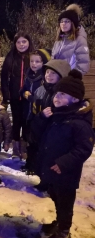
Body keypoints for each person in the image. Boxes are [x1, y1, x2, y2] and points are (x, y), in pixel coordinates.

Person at [31, 70, 94, 238]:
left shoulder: (79, 122)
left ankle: (64, 233)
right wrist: (41, 118)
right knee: (56, 198)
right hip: (51, 169)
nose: (57, 97)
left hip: (66, 173)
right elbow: (36, 134)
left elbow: (84, 149)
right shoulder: (57, 115)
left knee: (65, 203)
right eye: (57, 93)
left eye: (63, 94)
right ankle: (59, 223)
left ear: (75, 99)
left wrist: (63, 163)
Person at [30, 59, 71, 191]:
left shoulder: (62, 93)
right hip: (42, 129)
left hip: (55, 131)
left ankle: (52, 185)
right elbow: (34, 110)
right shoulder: (40, 90)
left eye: (53, 73)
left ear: (61, 75)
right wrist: (40, 116)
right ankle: (43, 182)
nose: (49, 75)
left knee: (52, 158)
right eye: (47, 72)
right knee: (42, 156)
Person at [0, 32, 34, 159]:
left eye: (24, 42)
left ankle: (24, 147)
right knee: (16, 121)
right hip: (15, 96)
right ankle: (15, 147)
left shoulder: (33, 56)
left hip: (28, 97)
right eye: (18, 42)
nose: (21, 44)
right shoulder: (11, 56)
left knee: (26, 122)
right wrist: (6, 93)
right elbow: (4, 77)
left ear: (29, 42)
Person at [19, 49, 51, 173]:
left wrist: (31, 97)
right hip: (28, 114)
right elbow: (23, 89)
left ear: (44, 62)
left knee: (36, 142)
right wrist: (23, 92)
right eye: (32, 61)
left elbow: (40, 98)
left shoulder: (44, 78)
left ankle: (34, 166)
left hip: (37, 115)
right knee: (29, 140)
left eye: (37, 61)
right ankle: (29, 164)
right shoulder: (29, 75)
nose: (34, 64)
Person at [52, 4, 90, 75]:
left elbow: (83, 64)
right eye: (61, 21)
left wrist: (71, 78)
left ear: (73, 23)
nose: (63, 24)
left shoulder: (79, 39)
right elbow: (53, 58)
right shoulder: (60, 39)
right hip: (57, 77)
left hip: (69, 79)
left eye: (67, 21)